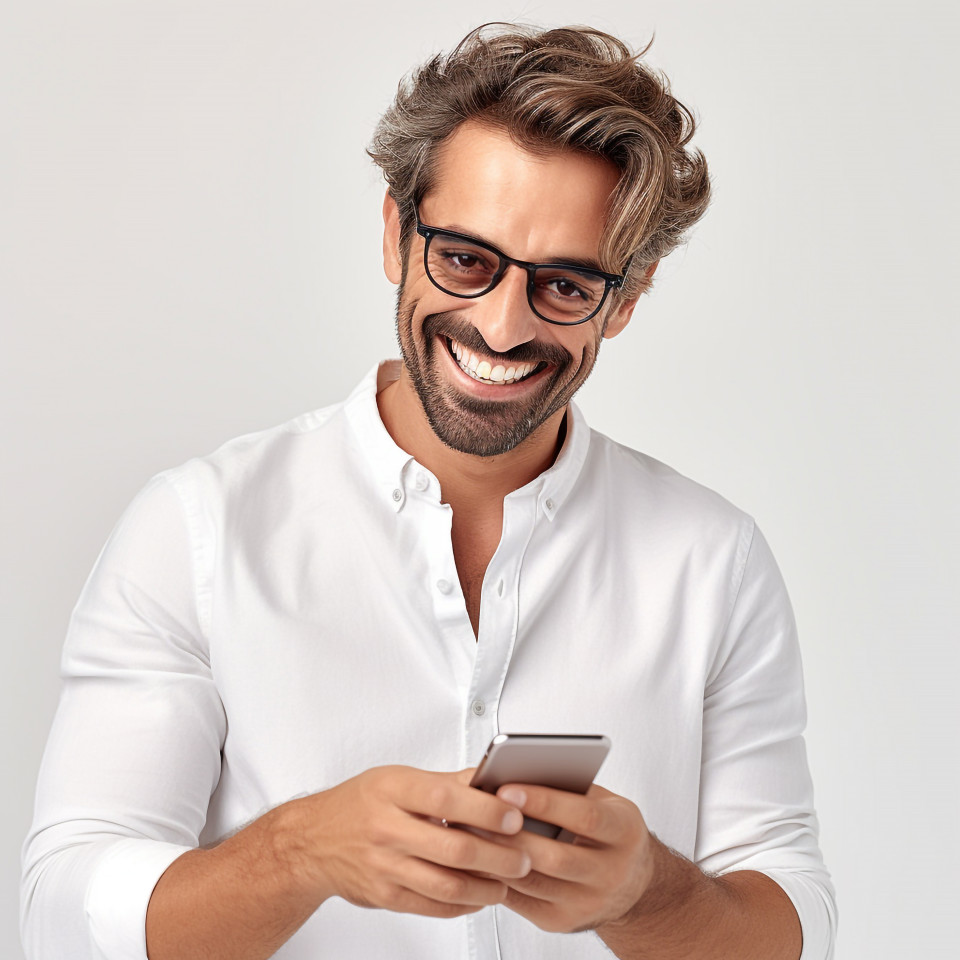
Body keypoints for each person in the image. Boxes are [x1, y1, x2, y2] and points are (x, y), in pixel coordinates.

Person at [21, 23, 837, 960]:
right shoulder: (198, 531)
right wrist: (299, 852)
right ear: (394, 234)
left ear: (628, 296)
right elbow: (59, 920)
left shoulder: (712, 559)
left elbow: (788, 920)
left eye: (565, 285)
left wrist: (645, 893)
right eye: (464, 257)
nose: (500, 324)